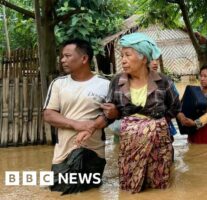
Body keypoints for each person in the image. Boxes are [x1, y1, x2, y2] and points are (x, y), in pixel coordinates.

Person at [102, 32, 181, 193]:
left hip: (158, 146)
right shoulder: (117, 82)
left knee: (158, 187)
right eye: (122, 55)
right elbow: (109, 112)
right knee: (129, 186)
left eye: (127, 55)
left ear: (143, 58)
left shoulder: (163, 82)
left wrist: (157, 125)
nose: (123, 60)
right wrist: (110, 116)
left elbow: (175, 107)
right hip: (129, 146)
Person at [43, 39, 110, 195]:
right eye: (62, 56)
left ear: (84, 59)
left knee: (91, 193)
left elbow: (110, 115)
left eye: (67, 56)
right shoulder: (58, 84)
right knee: (59, 191)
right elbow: (48, 114)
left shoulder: (104, 84)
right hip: (63, 153)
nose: (62, 60)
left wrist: (95, 124)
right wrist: (76, 125)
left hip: (94, 152)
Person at [177, 64, 207, 143]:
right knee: (193, 149)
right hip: (193, 128)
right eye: (201, 76)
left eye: (205, 76)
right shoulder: (196, 91)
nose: (202, 79)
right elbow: (184, 104)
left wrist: (195, 123)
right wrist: (181, 116)